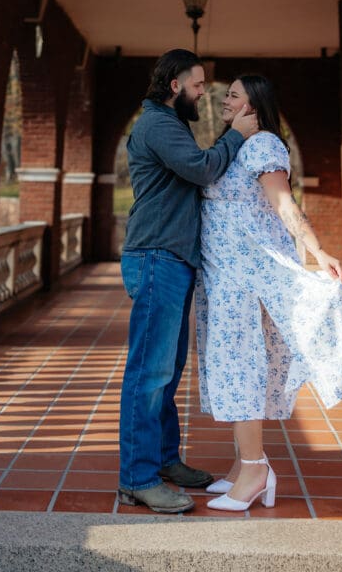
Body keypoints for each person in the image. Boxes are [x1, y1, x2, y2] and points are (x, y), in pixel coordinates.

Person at [195, 73, 342, 512]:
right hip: (224, 278)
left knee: (240, 367)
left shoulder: (262, 145)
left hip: (245, 278)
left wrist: (318, 250)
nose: (226, 100)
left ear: (253, 105)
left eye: (234, 95)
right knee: (232, 365)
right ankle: (244, 467)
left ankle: (256, 470)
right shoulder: (237, 143)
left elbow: (284, 205)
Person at [117, 49, 258, 515]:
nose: (204, 93)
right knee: (149, 372)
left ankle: (164, 460)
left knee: (168, 371)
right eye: (198, 85)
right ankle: (137, 479)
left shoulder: (168, 124)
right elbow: (201, 169)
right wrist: (236, 136)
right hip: (157, 255)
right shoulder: (156, 123)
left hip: (172, 259)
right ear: (176, 85)